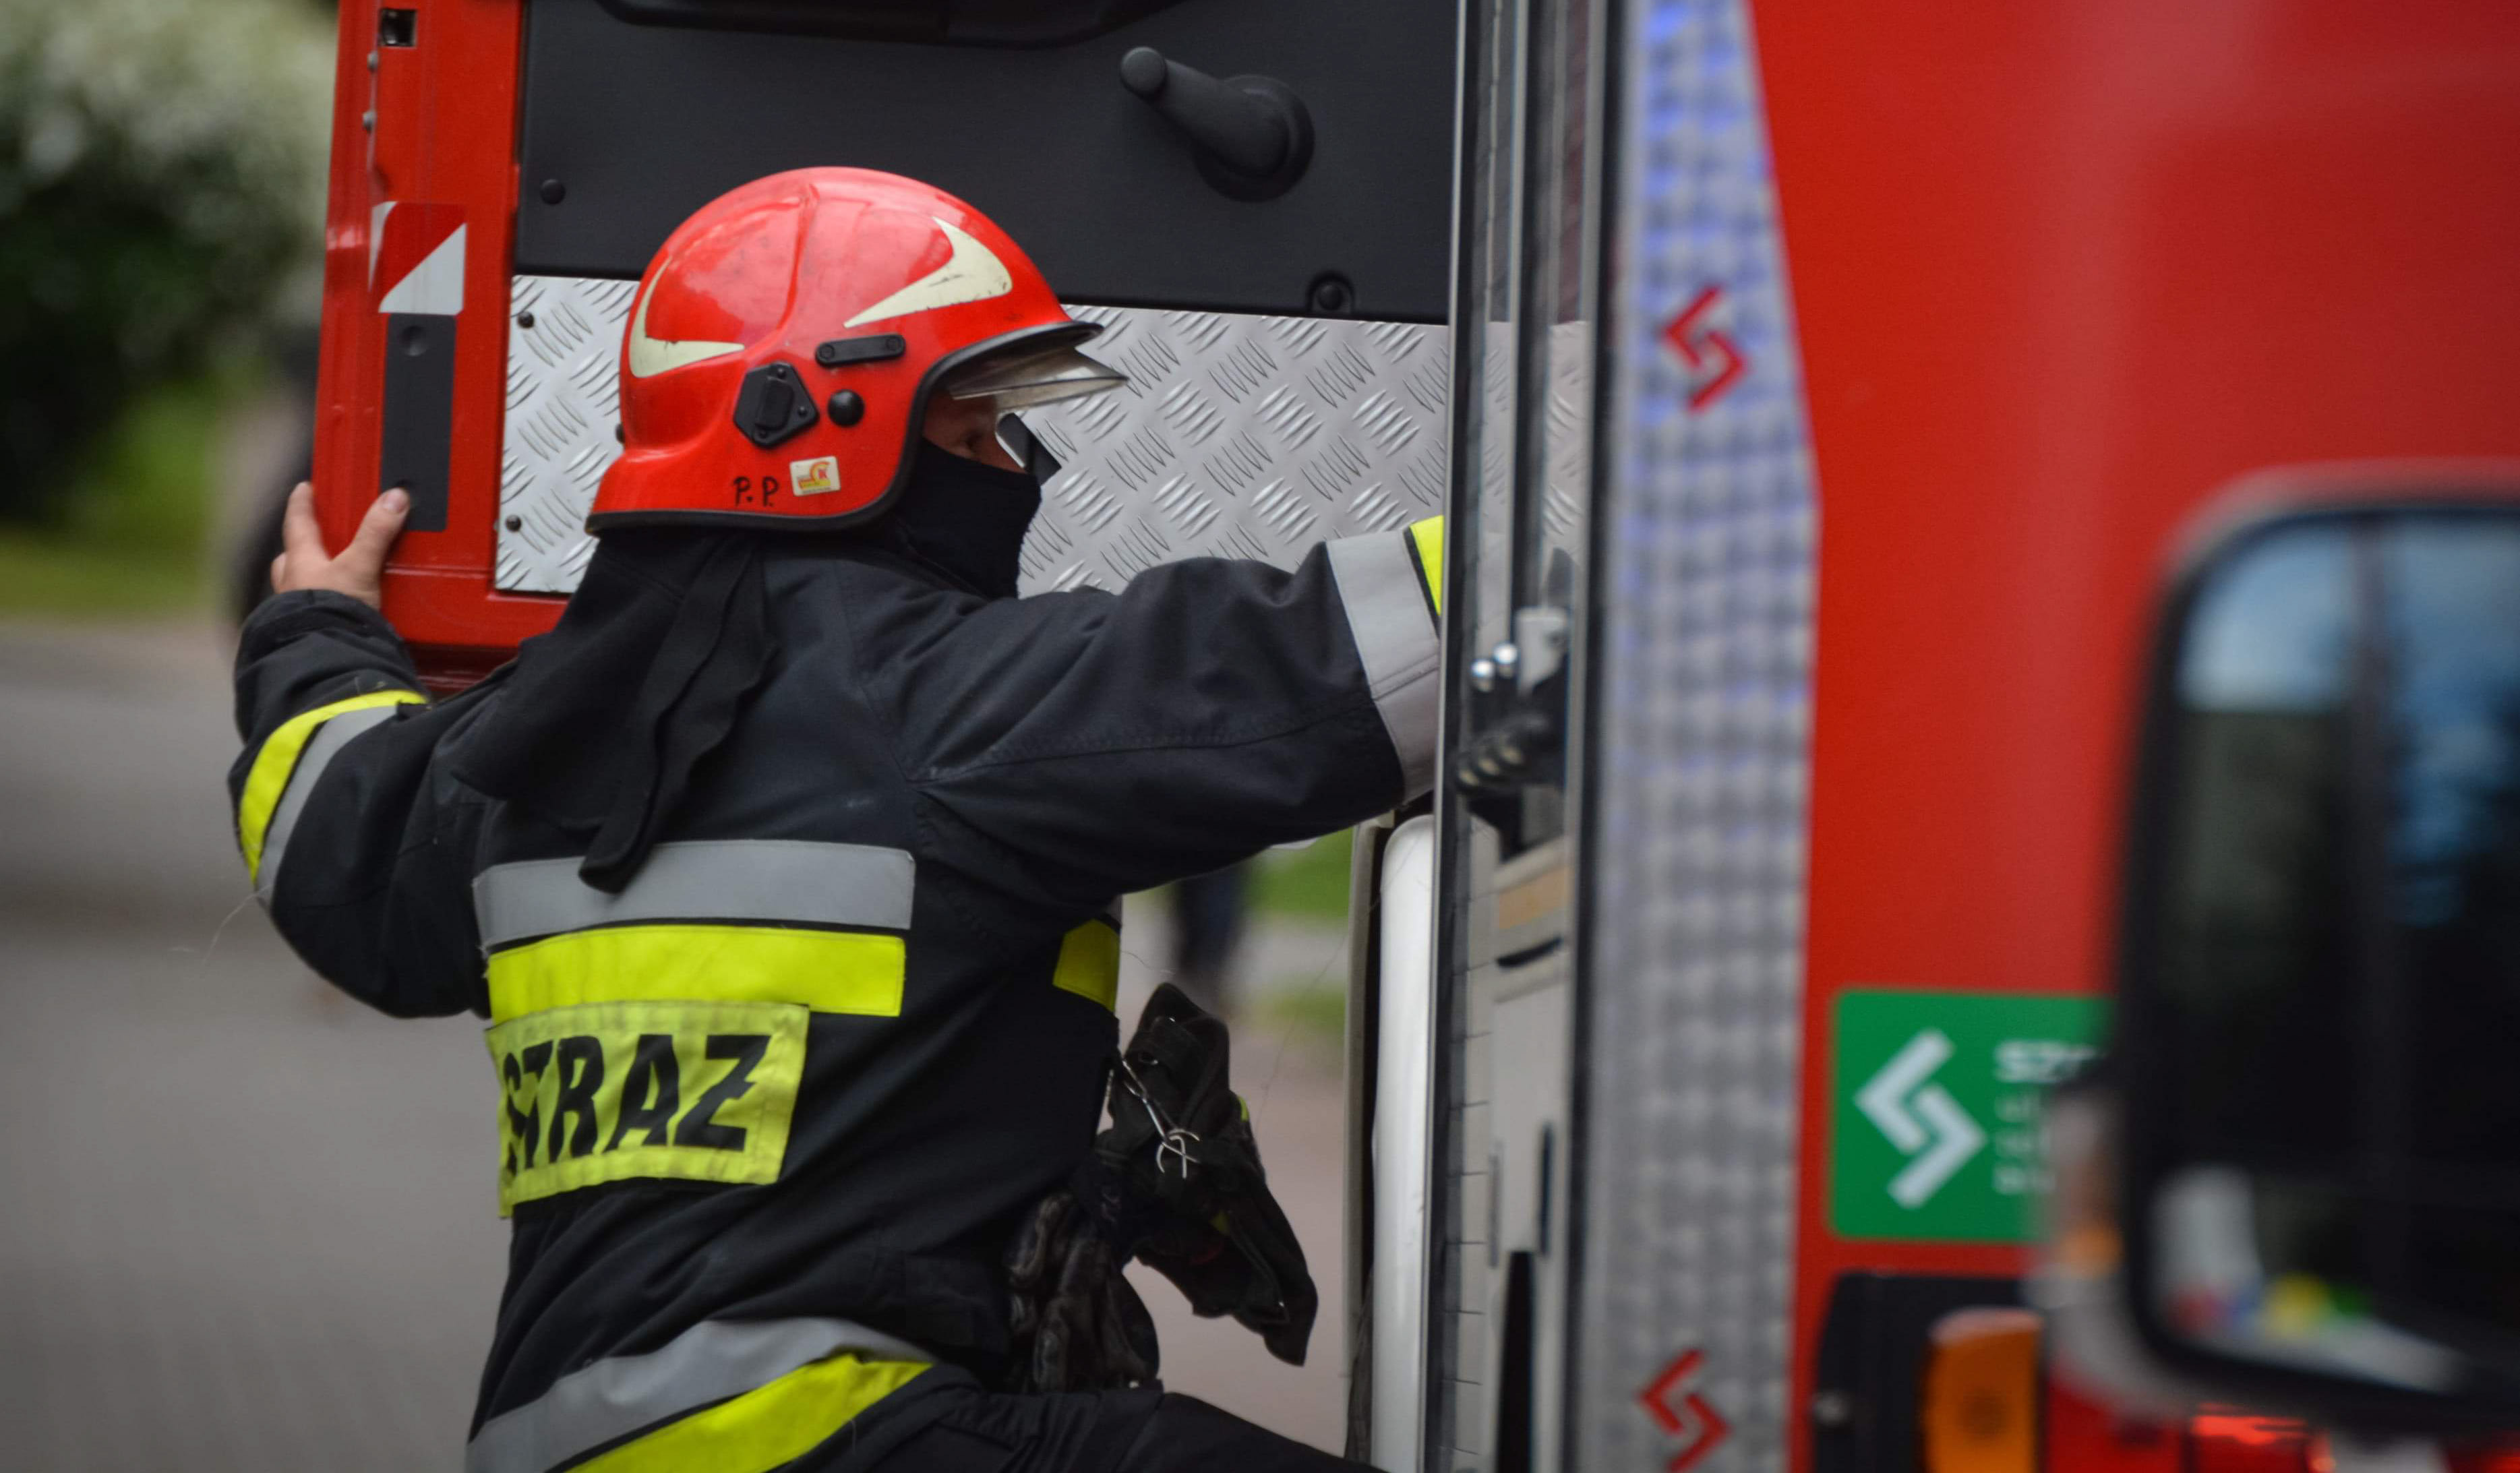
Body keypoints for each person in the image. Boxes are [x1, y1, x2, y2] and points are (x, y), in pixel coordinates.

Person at [230, 168, 1442, 1472]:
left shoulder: (524, 742)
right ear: (823, 422)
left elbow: (326, 834)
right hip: (821, 1430)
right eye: (974, 432)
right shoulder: (942, 701)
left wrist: (318, 638)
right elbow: (1321, 667)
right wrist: (1618, 526)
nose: (1009, 471)